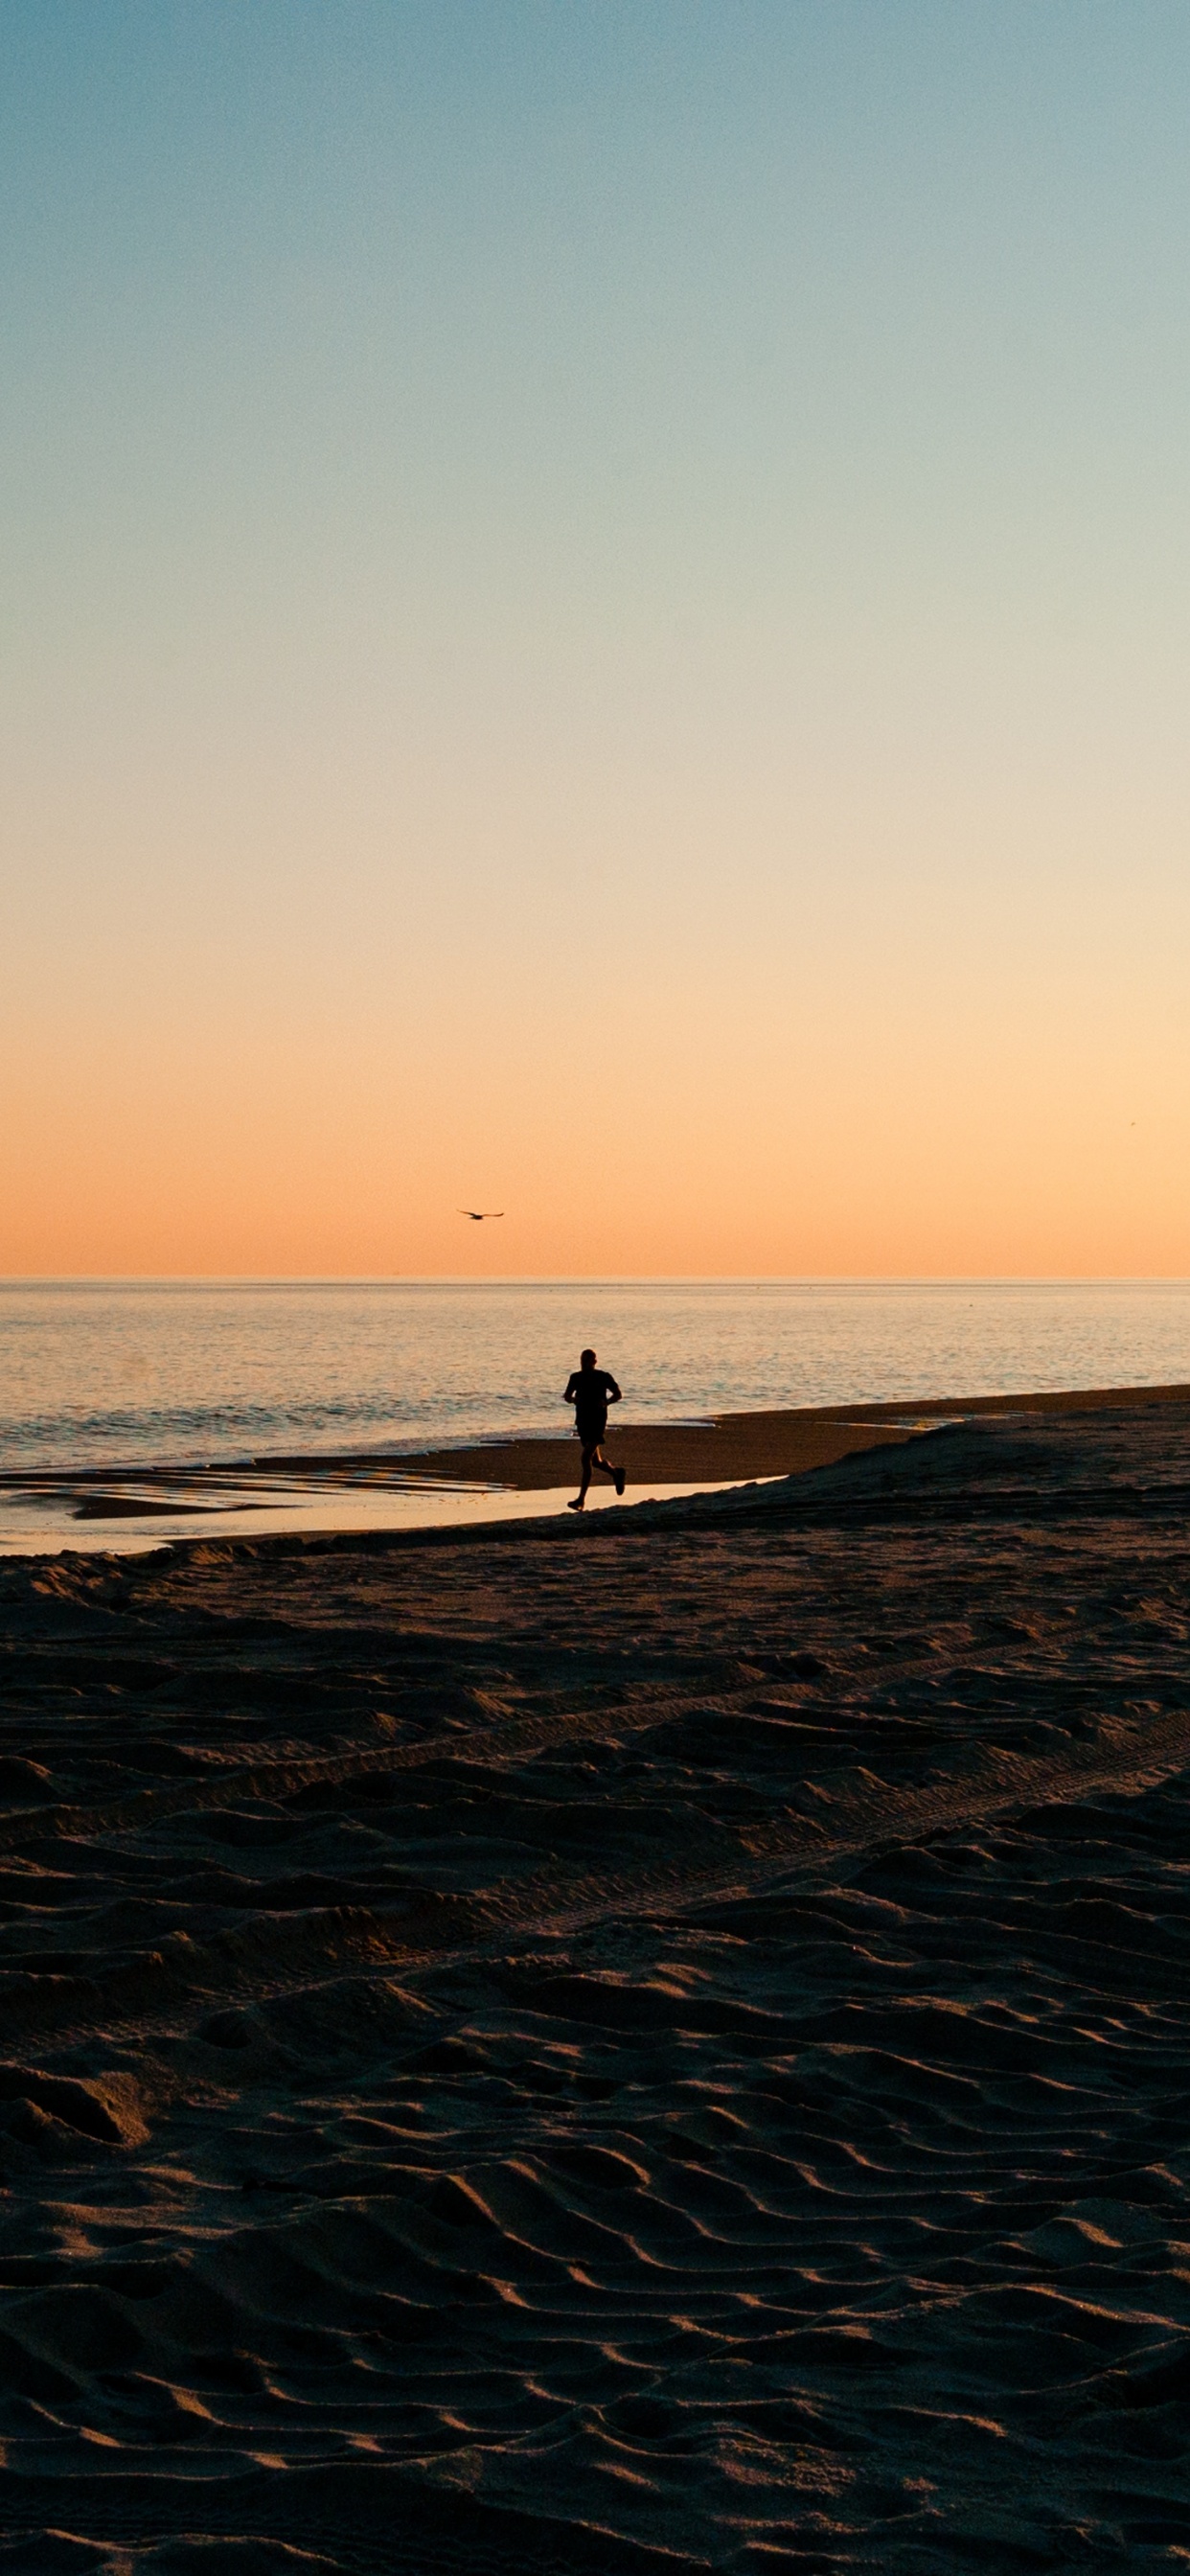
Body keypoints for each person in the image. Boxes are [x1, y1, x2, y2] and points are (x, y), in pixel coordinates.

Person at [563, 1348, 627, 1510]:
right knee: (595, 1461)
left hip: (598, 1420)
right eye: (582, 1360)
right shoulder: (575, 1377)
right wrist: (573, 1399)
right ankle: (616, 1473)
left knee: (585, 1459)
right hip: (582, 1421)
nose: (583, 1363)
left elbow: (618, 1394)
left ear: (594, 1362)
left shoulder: (603, 1376)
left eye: (586, 1361)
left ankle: (581, 1499)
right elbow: (567, 1396)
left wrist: (606, 1403)